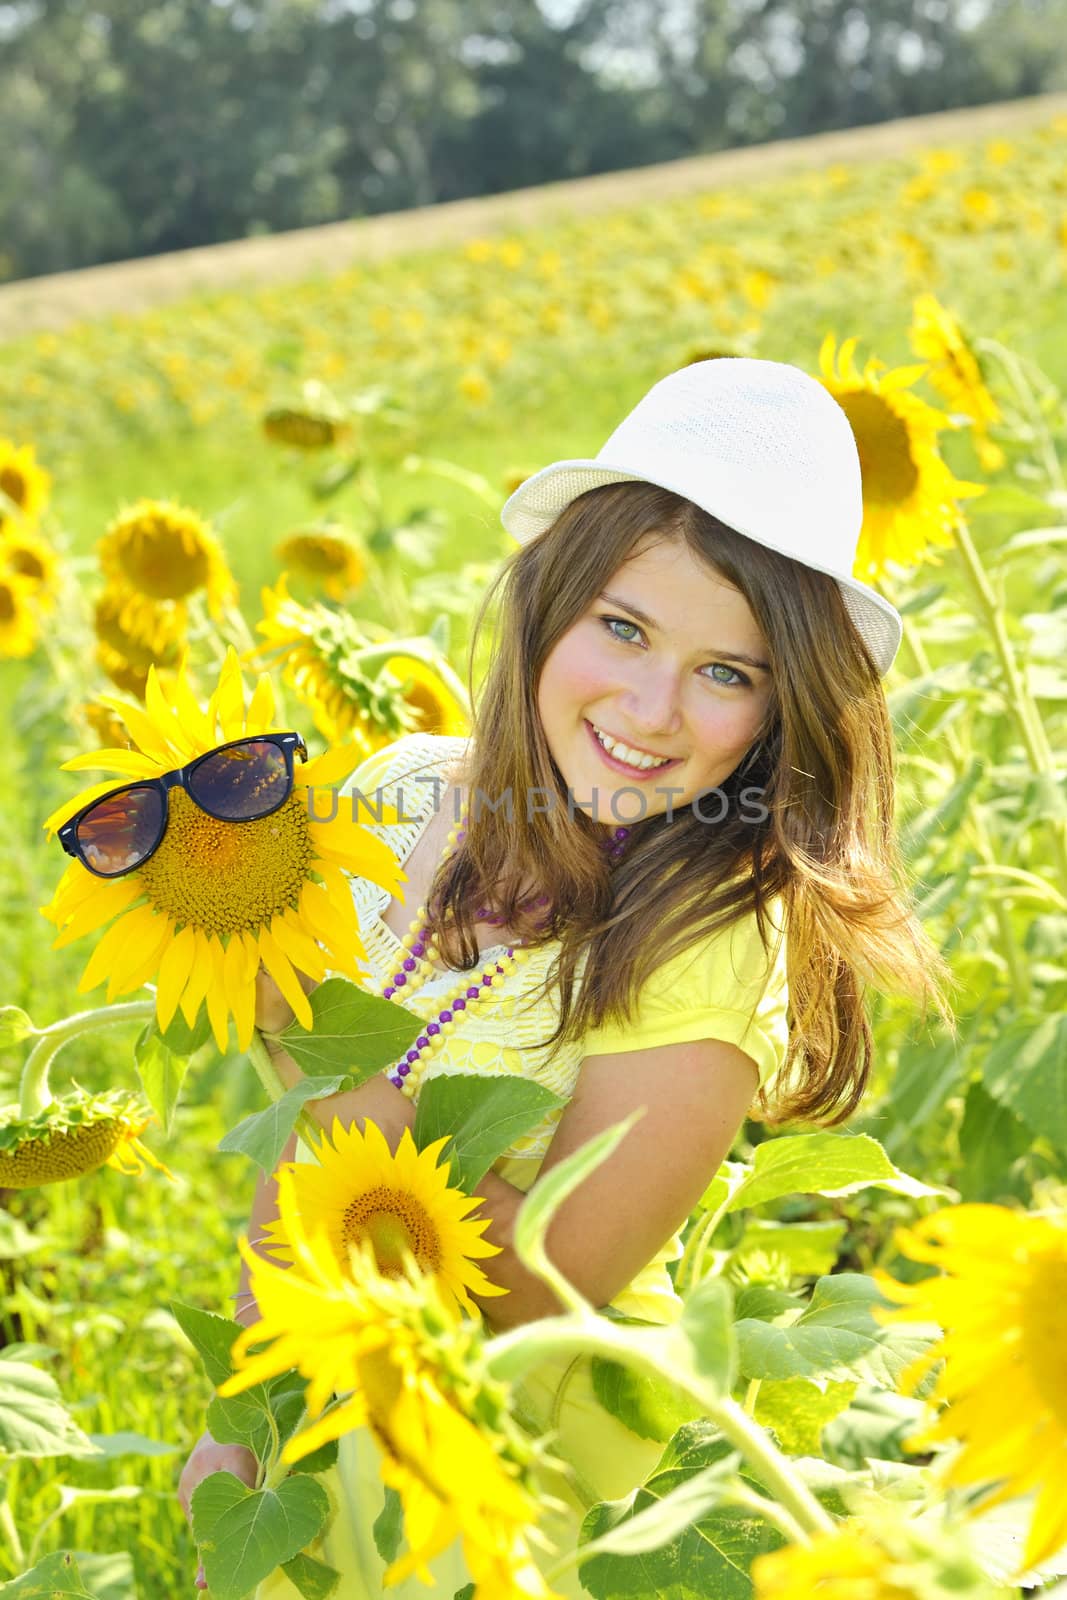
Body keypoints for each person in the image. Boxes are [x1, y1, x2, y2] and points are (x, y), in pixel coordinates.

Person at [178, 357, 953, 1595]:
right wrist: (237, 1423)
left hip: (522, 1502)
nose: (649, 708)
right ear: (548, 604)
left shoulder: (707, 926)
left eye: (726, 671)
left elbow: (547, 1296)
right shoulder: (392, 798)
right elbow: (299, 1178)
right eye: (624, 628)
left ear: (782, 712)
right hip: (314, 1441)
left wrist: (335, 1059)